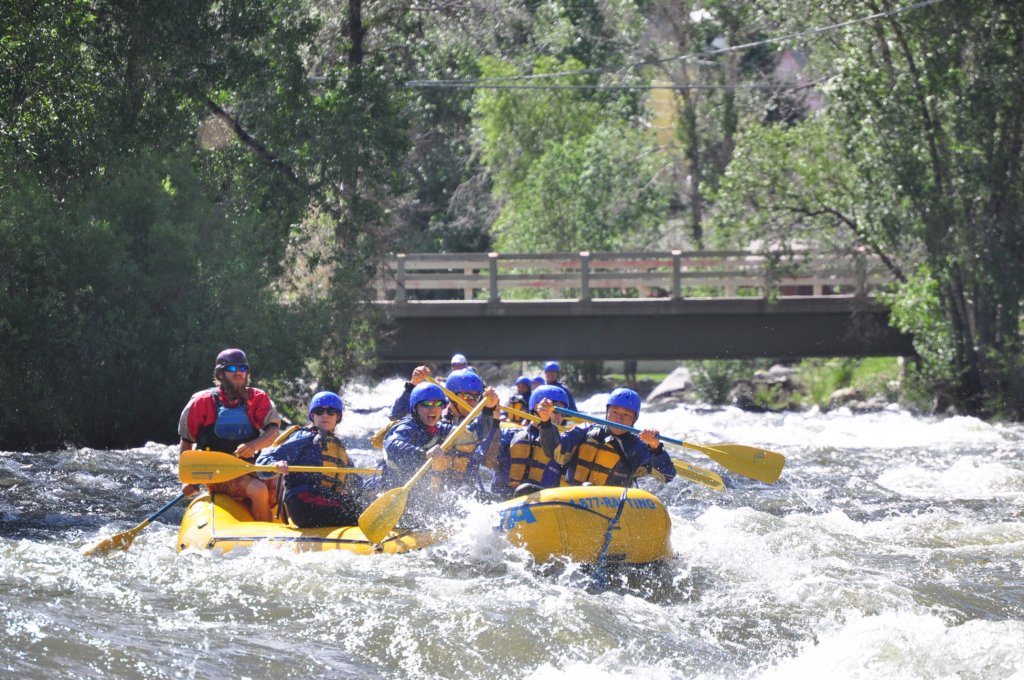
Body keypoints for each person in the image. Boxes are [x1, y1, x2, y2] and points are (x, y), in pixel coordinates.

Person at [178, 348, 281, 521]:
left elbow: (273, 431)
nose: (239, 373)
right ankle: (265, 537)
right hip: (218, 472)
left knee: (282, 483)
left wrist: (254, 446)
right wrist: (188, 478)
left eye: (243, 369)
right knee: (258, 490)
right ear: (220, 374)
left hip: (251, 465)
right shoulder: (201, 402)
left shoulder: (258, 398)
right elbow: (186, 441)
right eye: (232, 369)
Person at [381, 382, 499, 518]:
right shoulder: (406, 427)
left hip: (426, 501)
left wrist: (488, 409)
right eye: (426, 404)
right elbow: (392, 446)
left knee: (467, 493)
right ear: (415, 408)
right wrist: (423, 454)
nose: (432, 410)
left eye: (437, 404)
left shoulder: (441, 429)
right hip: (399, 502)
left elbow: (475, 434)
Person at [255, 391, 363, 527]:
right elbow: (262, 462)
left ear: (338, 417)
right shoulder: (304, 437)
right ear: (312, 416)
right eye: (319, 411)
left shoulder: (337, 447)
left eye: (330, 411)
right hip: (304, 502)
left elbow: (356, 482)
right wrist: (274, 465)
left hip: (326, 499)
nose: (324, 415)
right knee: (357, 510)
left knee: (361, 502)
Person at [542, 388, 676, 487]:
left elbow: (667, 476)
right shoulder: (584, 431)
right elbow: (553, 450)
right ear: (607, 412)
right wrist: (546, 422)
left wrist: (655, 447)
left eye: (626, 415)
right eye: (615, 412)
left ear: (634, 419)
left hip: (609, 507)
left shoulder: (637, 446)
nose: (619, 419)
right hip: (571, 499)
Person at [491, 385, 570, 498]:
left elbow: (551, 447)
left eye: (563, 413)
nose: (560, 417)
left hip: (543, 506)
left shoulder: (564, 444)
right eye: (557, 411)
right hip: (504, 501)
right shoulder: (509, 435)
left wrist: (546, 424)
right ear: (537, 408)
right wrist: (492, 419)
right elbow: (486, 458)